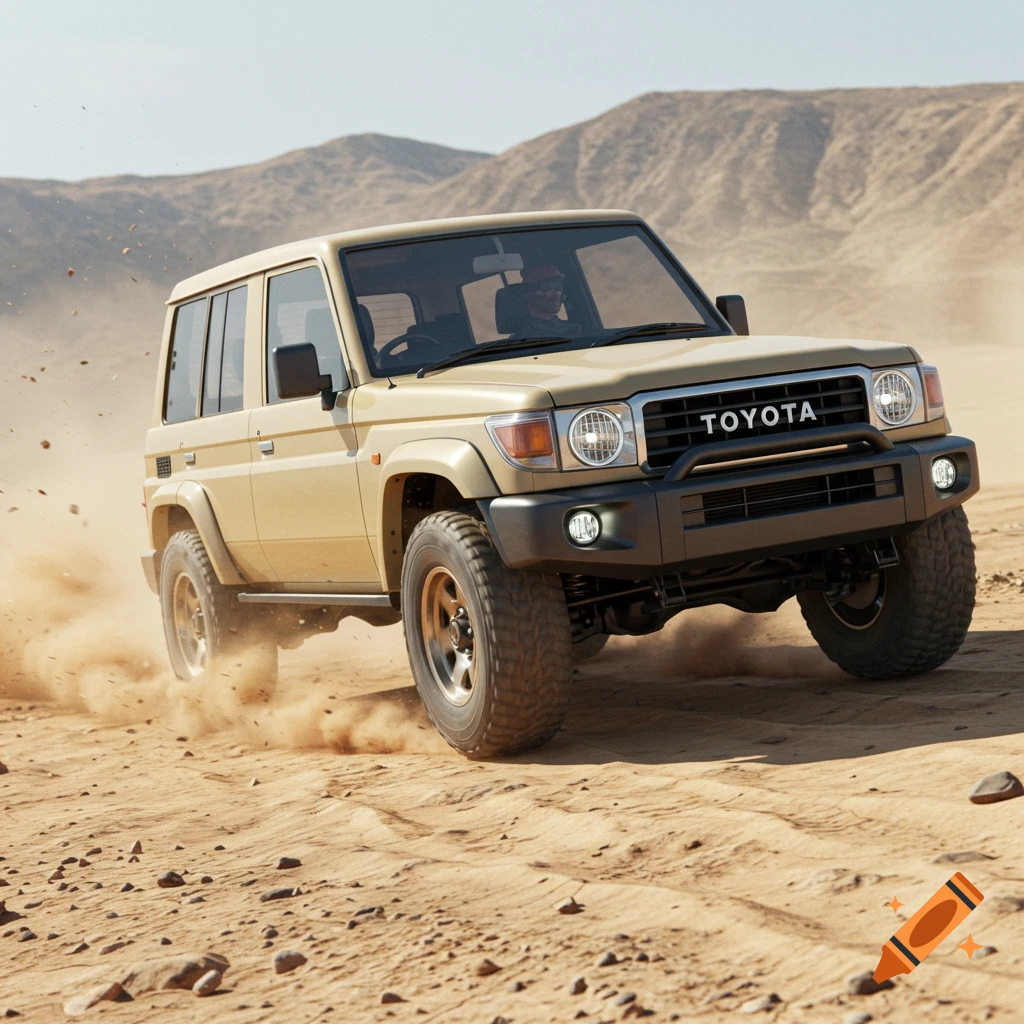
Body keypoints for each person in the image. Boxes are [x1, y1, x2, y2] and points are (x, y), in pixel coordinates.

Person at [512, 264, 582, 339]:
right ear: (527, 293)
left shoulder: (573, 329)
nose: (555, 294)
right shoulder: (524, 337)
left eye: (558, 286)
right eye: (547, 287)